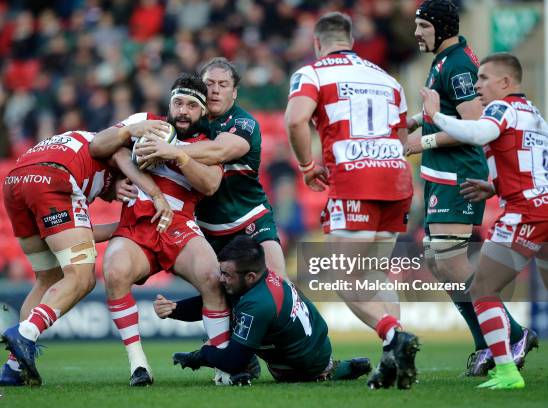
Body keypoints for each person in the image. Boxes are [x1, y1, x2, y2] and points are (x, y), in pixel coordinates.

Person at [285, 11, 418, 390]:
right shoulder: (387, 78)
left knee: (341, 275)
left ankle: (393, 334)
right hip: (396, 181)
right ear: (351, 41)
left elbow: (296, 120)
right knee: (375, 275)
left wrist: (308, 165)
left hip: (356, 180)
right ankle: (391, 360)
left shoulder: (313, 73)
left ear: (317, 43)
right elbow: (403, 135)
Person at [407, 0, 534, 376]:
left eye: (424, 27)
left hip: (457, 176)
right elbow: (446, 106)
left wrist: (423, 142)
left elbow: (473, 125)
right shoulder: (443, 60)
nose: (417, 33)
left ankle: (510, 335)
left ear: (442, 28)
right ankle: (489, 342)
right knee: (438, 261)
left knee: (450, 261)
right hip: (438, 176)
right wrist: (416, 120)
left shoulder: (459, 64)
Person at [0, 124, 172, 387]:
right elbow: (124, 157)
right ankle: (25, 332)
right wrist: (157, 195)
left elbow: (72, 235)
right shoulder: (117, 150)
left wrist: (121, 228)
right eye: (125, 185)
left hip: (15, 182)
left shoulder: (84, 156)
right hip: (54, 178)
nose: (119, 196)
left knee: (48, 278)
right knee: (82, 277)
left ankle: (12, 368)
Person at [90, 73, 231, 386]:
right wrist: (131, 130)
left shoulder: (208, 141)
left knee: (212, 276)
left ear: (203, 112)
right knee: (113, 270)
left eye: (192, 106)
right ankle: (139, 365)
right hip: (136, 224)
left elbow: (210, 185)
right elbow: (97, 146)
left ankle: (223, 365)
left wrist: (175, 155)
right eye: (178, 102)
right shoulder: (145, 121)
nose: (182, 110)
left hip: (179, 224)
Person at [420, 52, 545, 389]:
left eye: (484, 79)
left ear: (506, 82)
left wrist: (435, 115)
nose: (477, 87)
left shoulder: (501, 108)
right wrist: (494, 187)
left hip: (525, 214)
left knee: (482, 288)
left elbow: (476, 133)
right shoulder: (534, 114)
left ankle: (506, 370)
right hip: (542, 206)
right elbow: (534, 170)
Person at [136, 58, 286, 277]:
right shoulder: (189, 119)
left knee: (277, 284)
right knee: (222, 295)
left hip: (250, 219)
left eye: (223, 85)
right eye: (209, 83)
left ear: (234, 92)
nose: (215, 90)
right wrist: (123, 180)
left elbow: (219, 151)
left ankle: (306, 312)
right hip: (206, 229)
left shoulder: (243, 123)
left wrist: (171, 150)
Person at [156, 235, 372, 384]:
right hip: (317, 347)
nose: (220, 279)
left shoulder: (258, 304)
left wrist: (201, 355)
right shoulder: (261, 280)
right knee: (231, 315)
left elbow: (232, 361)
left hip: (296, 369)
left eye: (226, 274)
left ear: (249, 277)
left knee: (223, 334)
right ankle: (339, 368)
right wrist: (175, 309)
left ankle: (325, 371)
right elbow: (221, 300)